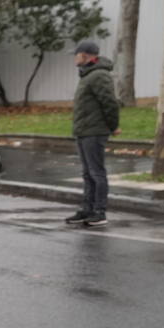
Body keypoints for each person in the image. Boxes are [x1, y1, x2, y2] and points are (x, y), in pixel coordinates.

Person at [67, 40, 118, 228]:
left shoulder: (99, 75)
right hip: (84, 130)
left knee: (97, 172)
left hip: (94, 131)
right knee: (88, 173)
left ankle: (100, 212)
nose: (74, 57)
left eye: (76, 54)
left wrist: (113, 126)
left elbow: (109, 102)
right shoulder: (87, 75)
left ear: (85, 55)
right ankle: (87, 209)